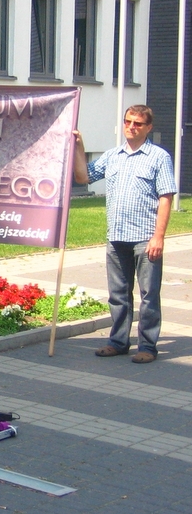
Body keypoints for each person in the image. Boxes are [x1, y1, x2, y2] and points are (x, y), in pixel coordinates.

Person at [73, 104, 176, 364]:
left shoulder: (159, 157)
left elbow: (166, 197)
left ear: (148, 127)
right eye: (128, 121)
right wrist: (78, 146)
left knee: (148, 295)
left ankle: (147, 346)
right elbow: (83, 177)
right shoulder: (112, 156)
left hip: (145, 238)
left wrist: (159, 236)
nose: (131, 127)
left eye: (138, 123)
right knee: (118, 295)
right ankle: (118, 342)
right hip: (116, 236)